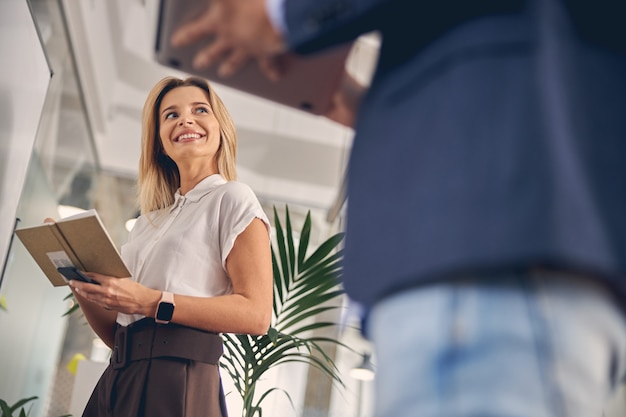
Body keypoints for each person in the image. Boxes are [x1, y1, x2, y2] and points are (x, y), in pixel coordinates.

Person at [169, 1, 626, 417]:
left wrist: (280, 15)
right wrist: (362, 107)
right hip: (507, 247)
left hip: (482, 250)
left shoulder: (233, 202)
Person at [59, 76, 273, 417]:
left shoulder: (233, 197)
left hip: (178, 378)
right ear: (159, 142)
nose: (185, 119)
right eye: (171, 115)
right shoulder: (147, 223)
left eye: (200, 110)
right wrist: (80, 280)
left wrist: (151, 301)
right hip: (117, 376)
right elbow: (119, 333)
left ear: (221, 128)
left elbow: (257, 314)